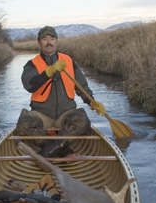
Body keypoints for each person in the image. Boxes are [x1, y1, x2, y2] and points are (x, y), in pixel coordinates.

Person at [15, 25, 105, 157]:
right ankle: (62, 150)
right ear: (39, 43)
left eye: (52, 38)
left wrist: (92, 102)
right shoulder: (32, 64)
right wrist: (48, 72)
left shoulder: (69, 61)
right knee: (24, 123)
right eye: (44, 39)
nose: (49, 42)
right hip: (42, 114)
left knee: (82, 121)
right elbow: (29, 85)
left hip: (66, 113)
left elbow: (82, 86)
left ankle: (47, 151)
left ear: (57, 41)